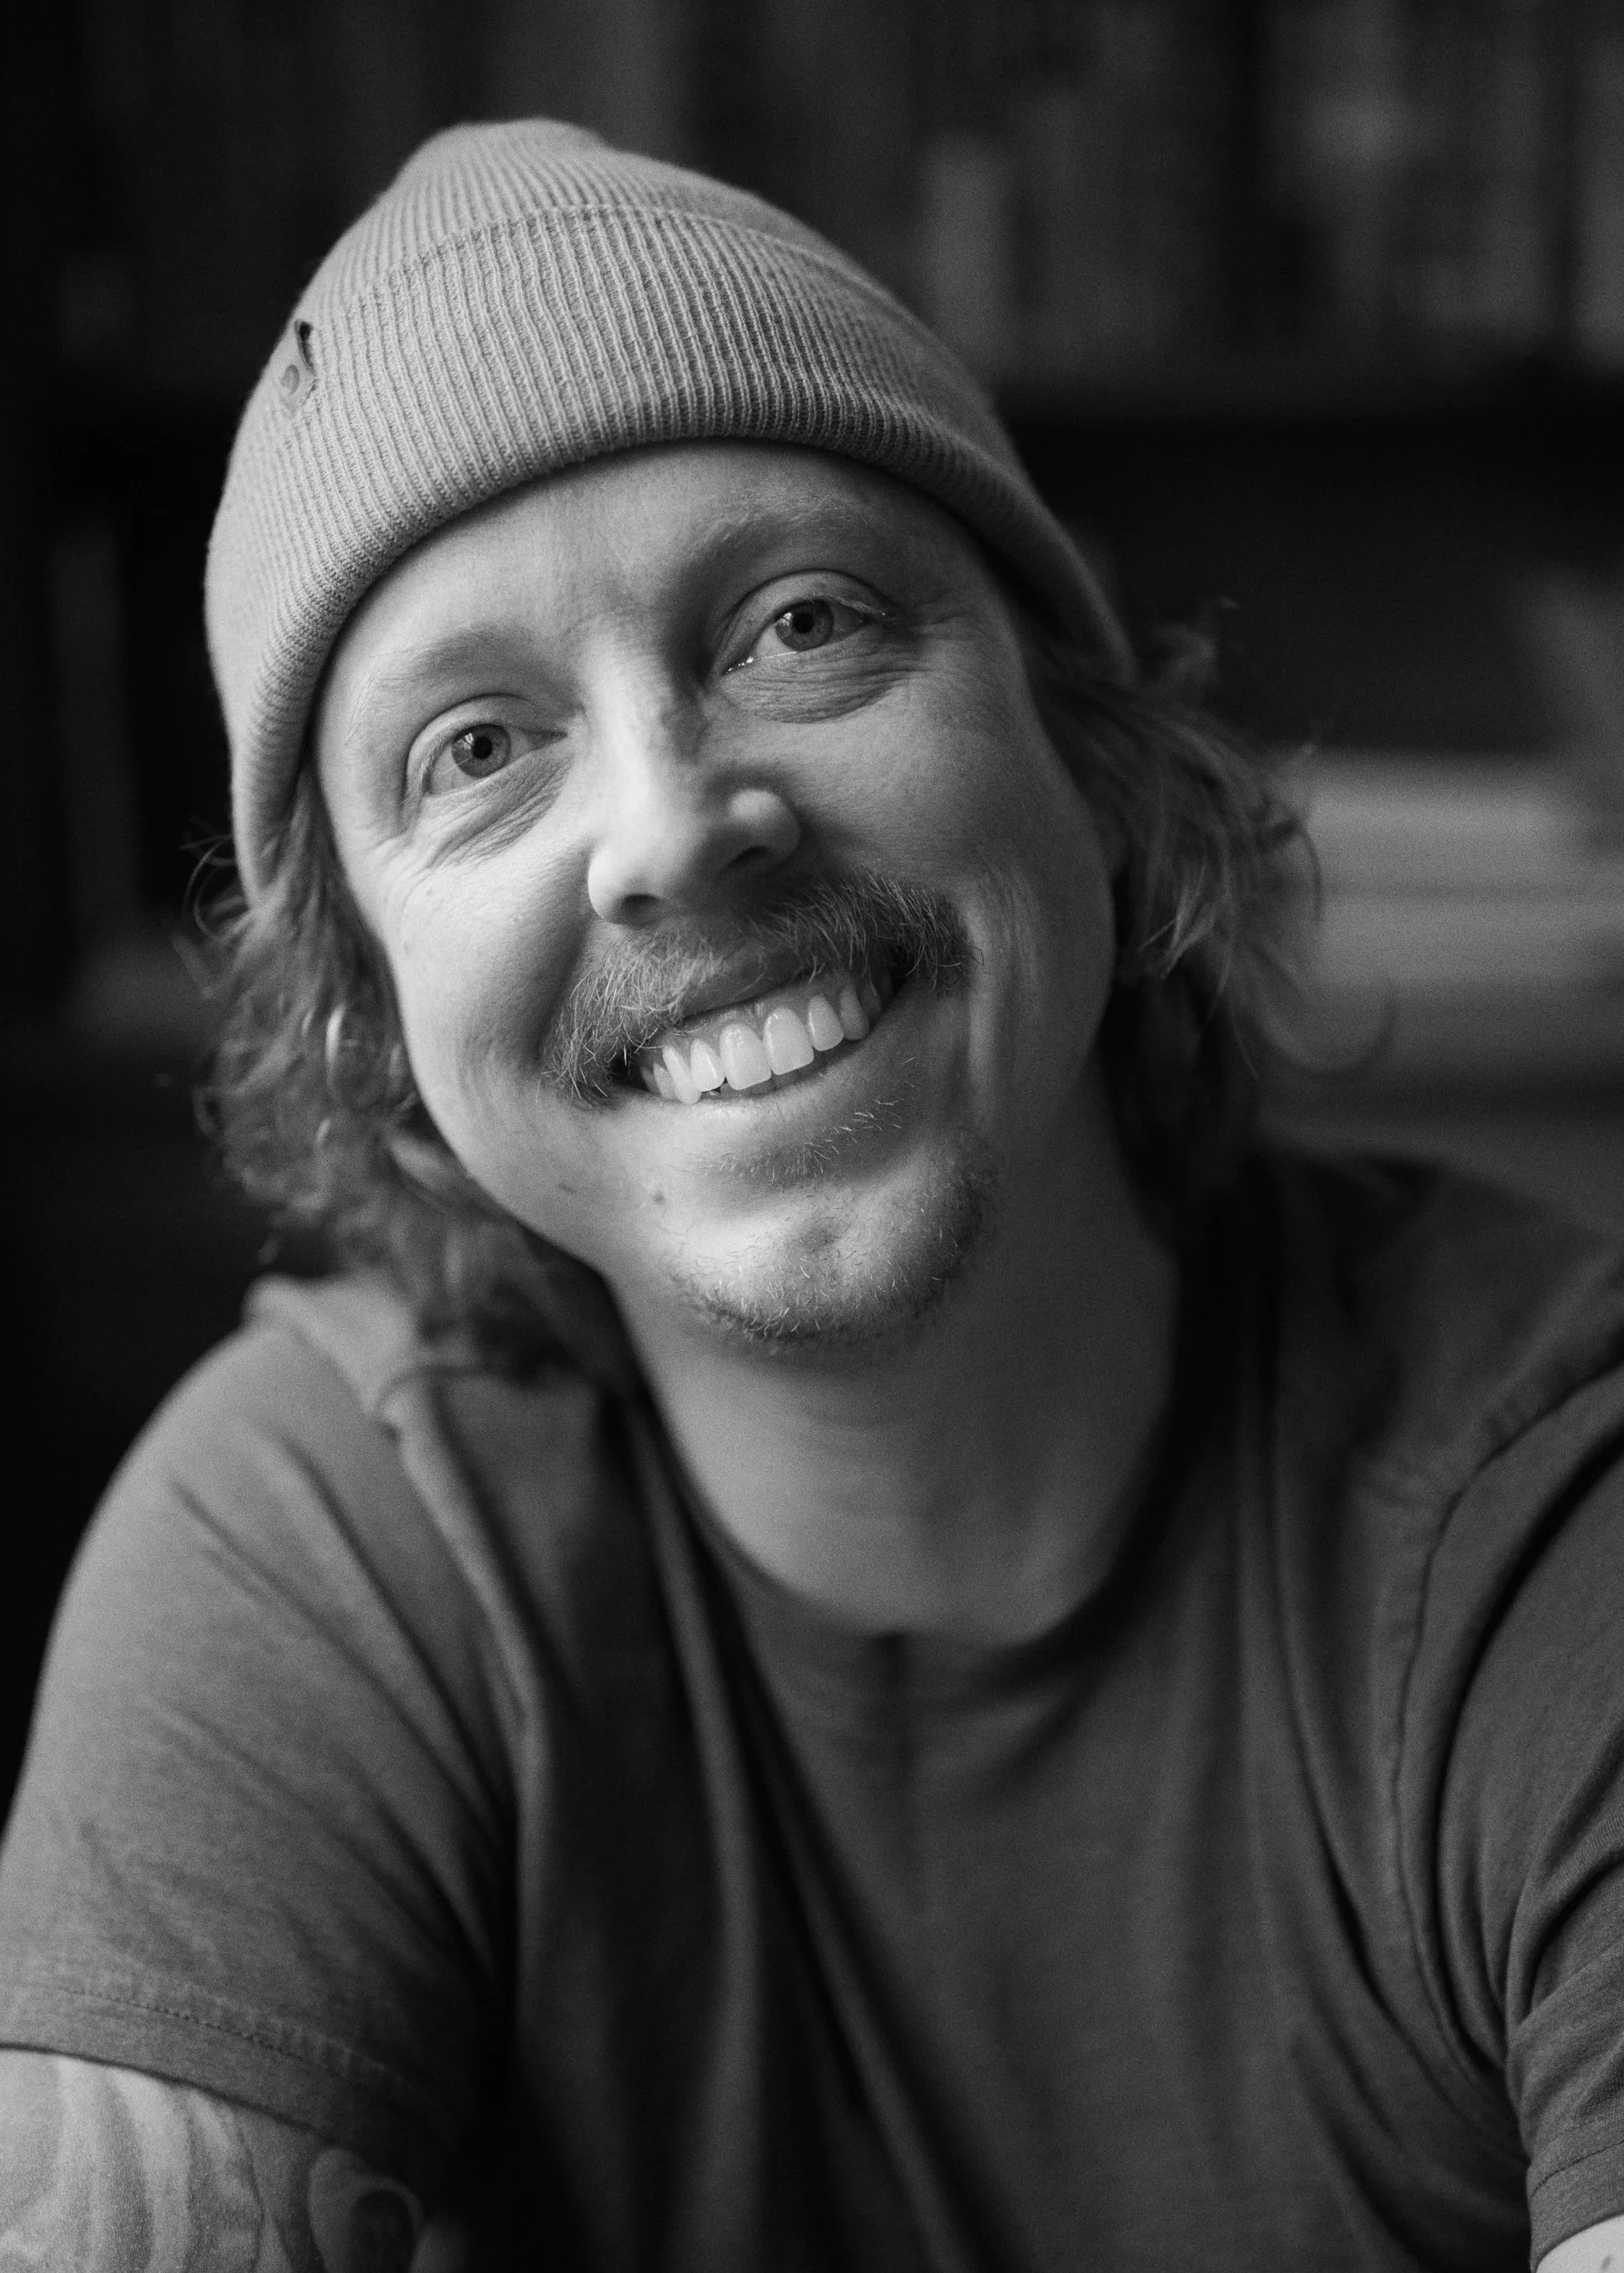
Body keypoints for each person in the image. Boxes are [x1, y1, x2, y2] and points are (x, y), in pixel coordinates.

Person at [2, 117, 1623, 2273]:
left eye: (796, 621)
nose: (669, 826)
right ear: (380, 1044)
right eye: (470, 750)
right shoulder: (323, 1546)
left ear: (1089, 760)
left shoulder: (1551, 1505)